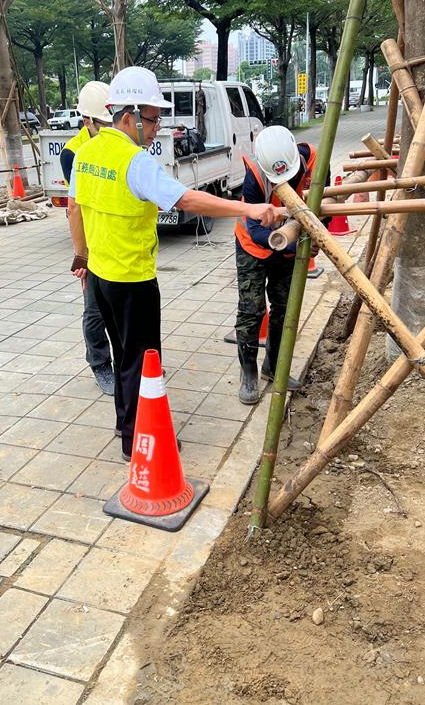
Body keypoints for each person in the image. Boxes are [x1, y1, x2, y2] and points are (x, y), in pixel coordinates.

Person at [68, 66, 279, 461]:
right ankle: (139, 442)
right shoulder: (135, 162)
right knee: (142, 363)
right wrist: (249, 207)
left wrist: (82, 256)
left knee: (122, 357)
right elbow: (186, 200)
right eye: (152, 119)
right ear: (127, 117)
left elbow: (75, 210)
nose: (156, 127)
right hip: (132, 281)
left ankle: (124, 425)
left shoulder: (86, 153)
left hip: (99, 277)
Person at [234, 125, 327, 405]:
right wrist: (291, 242)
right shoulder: (254, 175)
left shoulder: (313, 162)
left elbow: (325, 205)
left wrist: (319, 233)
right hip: (254, 246)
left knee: (284, 309)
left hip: (288, 245)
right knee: (252, 310)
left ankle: (274, 367)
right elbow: (255, 230)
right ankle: (248, 373)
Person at [62, 82, 115, 395]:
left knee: (124, 309)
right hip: (93, 245)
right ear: (88, 122)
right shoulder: (74, 154)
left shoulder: (115, 145)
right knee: (95, 310)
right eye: (104, 124)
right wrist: (81, 255)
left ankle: (131, 360)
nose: (110, 129)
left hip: (117, 241)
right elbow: (76, 209)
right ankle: (100, 364)